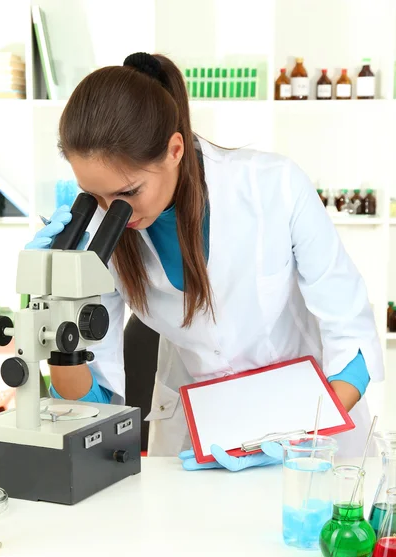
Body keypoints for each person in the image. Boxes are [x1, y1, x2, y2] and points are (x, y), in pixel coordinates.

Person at [26, 52, 383, 470]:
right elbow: (95, 401)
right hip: (201, 439)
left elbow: (352, 337)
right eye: (96, 196)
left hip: (318, 433)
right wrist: (57, 312)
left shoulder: (272, 186)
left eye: (127, 193)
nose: (113, 211)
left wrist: (297, 434)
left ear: (174, 149)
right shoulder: (99, 239)